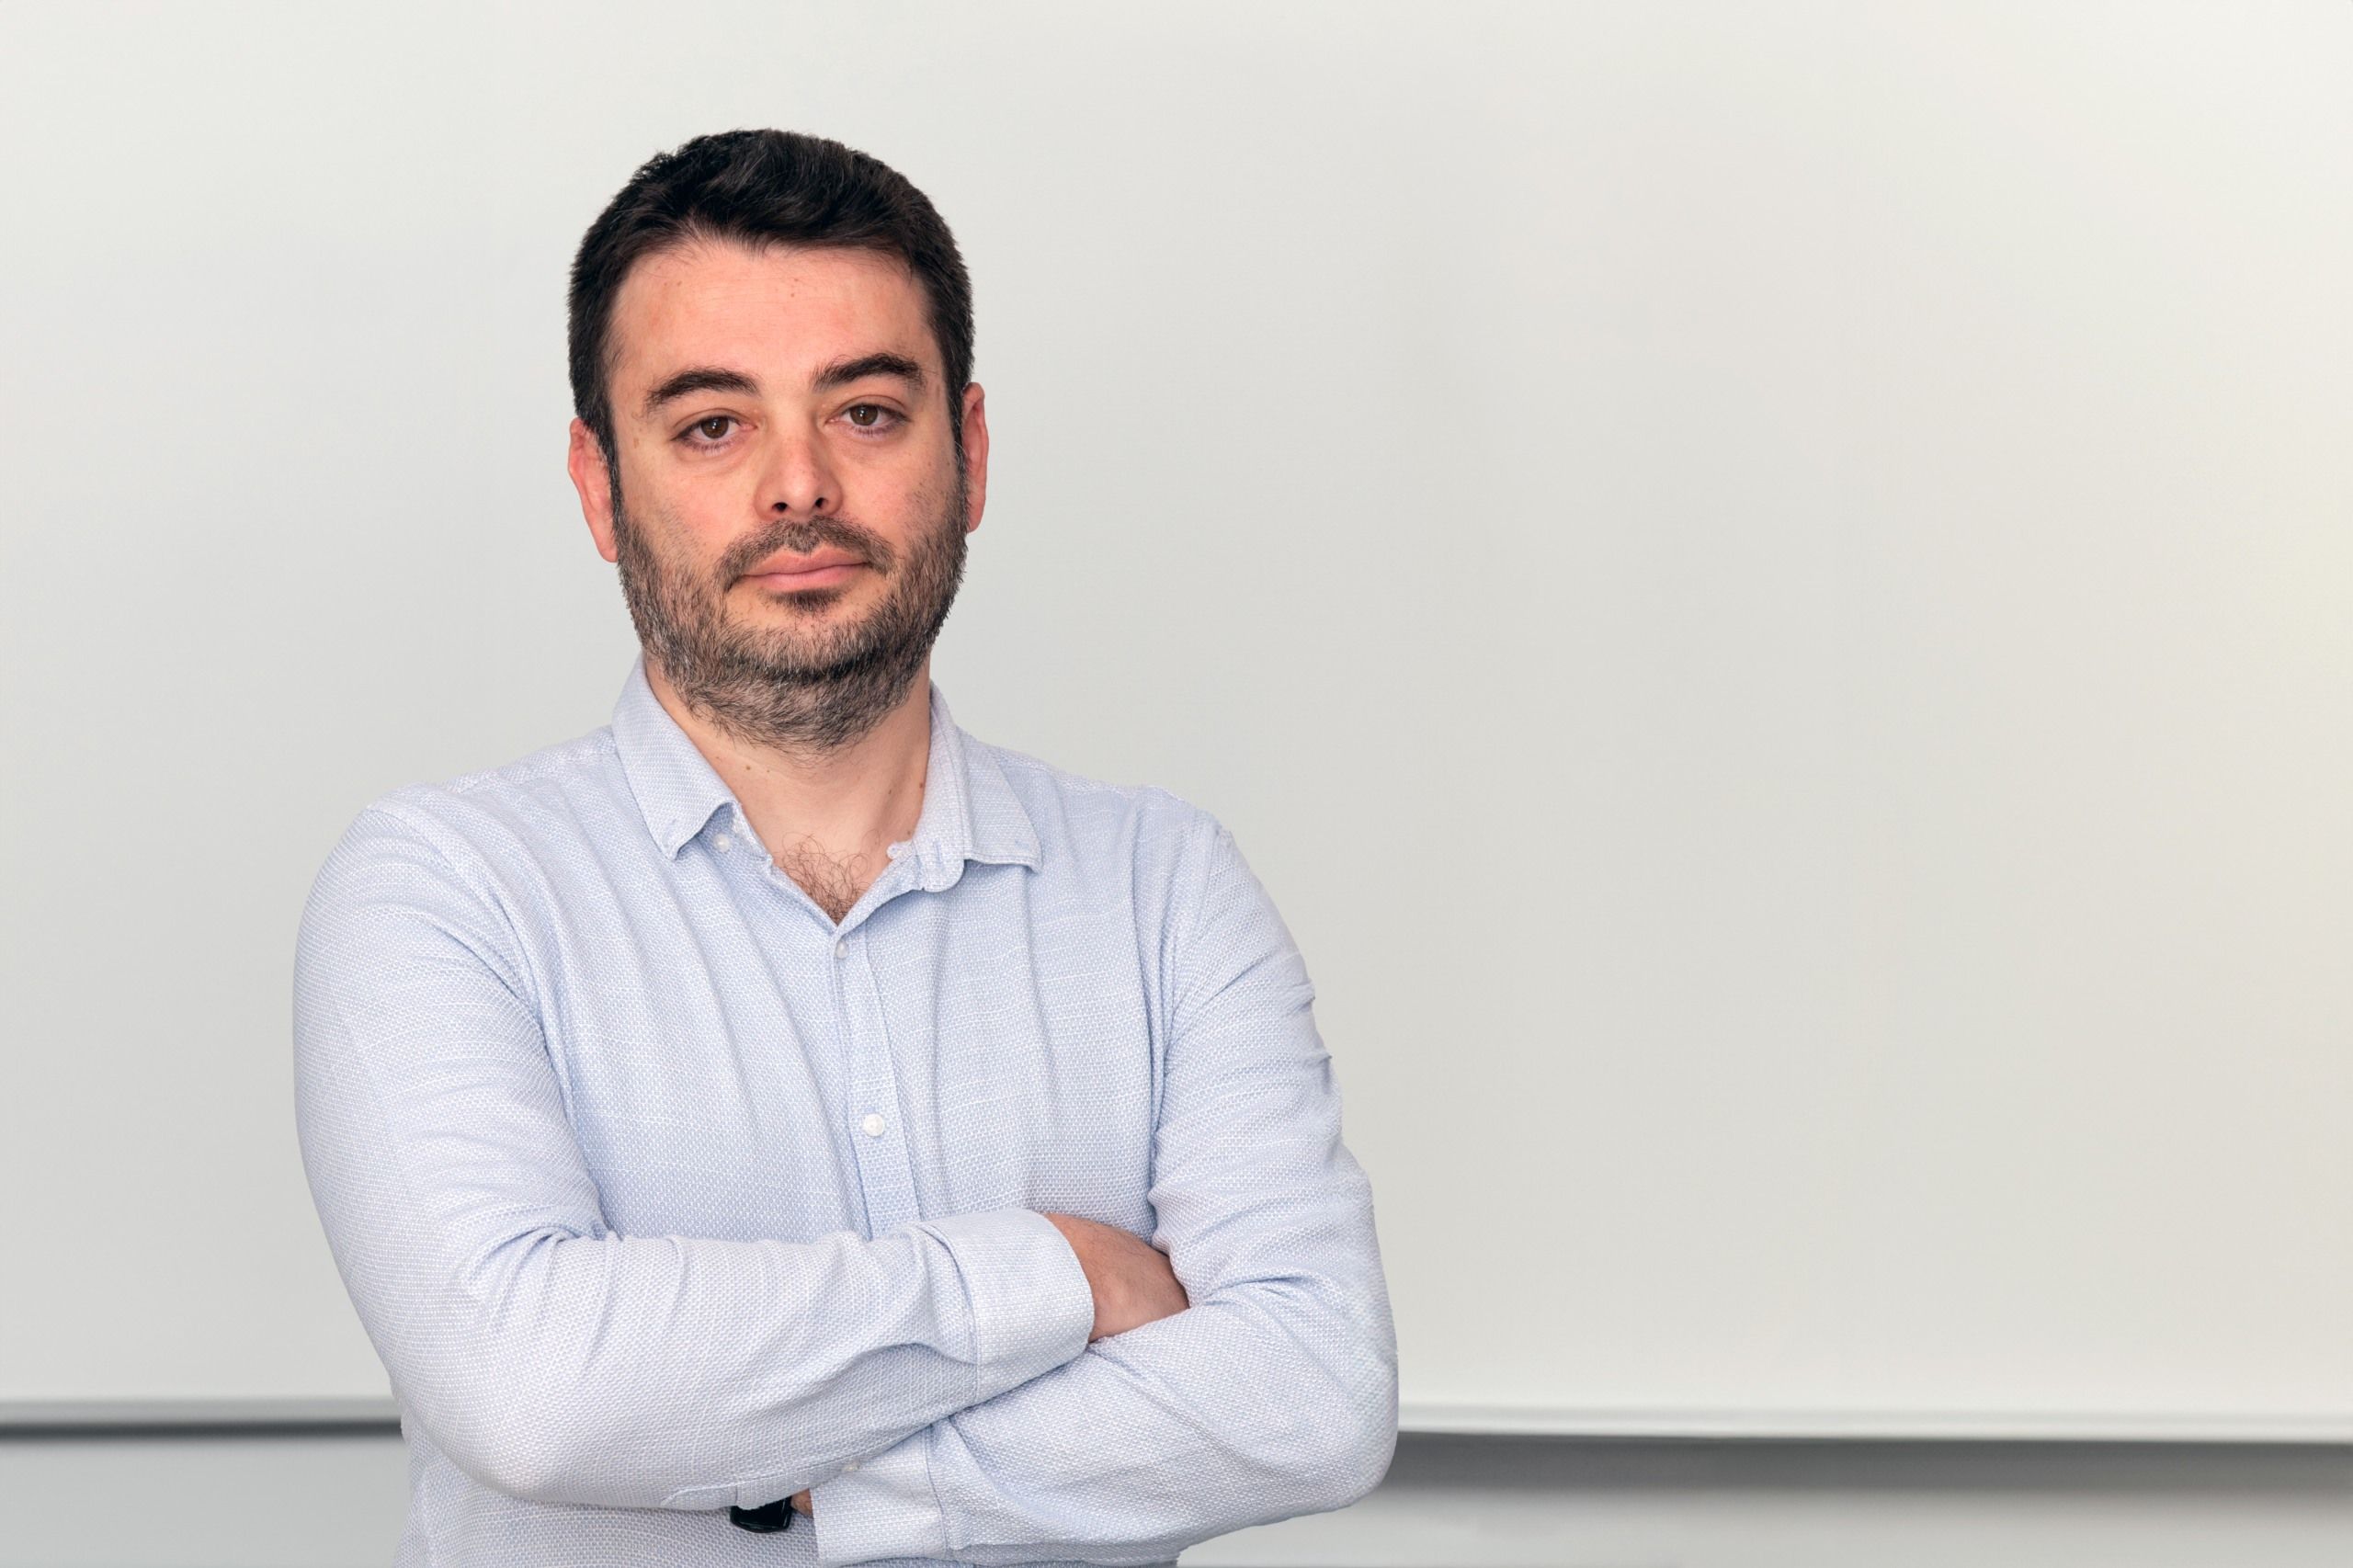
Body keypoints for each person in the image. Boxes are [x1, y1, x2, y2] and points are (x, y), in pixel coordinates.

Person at [291, 128, 1397, 1566]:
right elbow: (535, 1388)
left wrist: (832, 1481)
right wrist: (1057, 1269)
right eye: (713, 425)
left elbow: (1313, 1388)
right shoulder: (446, 890)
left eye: (866, 412)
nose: (799, 484)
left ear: (970, 452)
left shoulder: (1163, 887)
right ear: (598, 485)